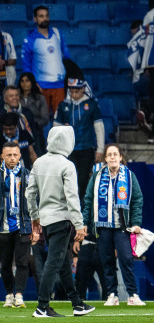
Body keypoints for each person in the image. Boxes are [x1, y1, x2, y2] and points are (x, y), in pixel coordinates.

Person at [27, 127, 94, 318]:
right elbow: (72, 197)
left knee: (63, 262)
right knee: (53, 262)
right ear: (68, 141)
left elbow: (30, 193)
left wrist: (35, 216)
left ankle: (77, 304)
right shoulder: (67, 165)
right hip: (62, 221)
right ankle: (42, 307)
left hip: (46, 221)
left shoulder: (38, 162)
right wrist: (79, 224)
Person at [83, 145, 145, 307]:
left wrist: (136, 223)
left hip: (122, 227)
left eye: (115, 154)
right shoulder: (97, 177)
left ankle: (132, 294)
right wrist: (85, 222)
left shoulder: (129, 176)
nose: (112, 157)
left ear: (120, 157)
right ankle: (112, 295)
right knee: (107, 261)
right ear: (105, 159)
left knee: (126, 259)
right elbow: (88, 199)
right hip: (102, 226)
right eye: (109, 155)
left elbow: (137, 200)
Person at [52, 77, 105, 196]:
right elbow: (55, 128)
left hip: (86, 148)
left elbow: (99, 128)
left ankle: (80, 208)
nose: (74, 94)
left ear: (83, 89)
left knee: (82, 180)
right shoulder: (63, 105)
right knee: (68, 181)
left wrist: (100, 150)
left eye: (77, 91)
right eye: (71, 91)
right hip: (67, 150)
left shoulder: (91, 104)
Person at [22, 5, 70, 115]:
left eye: (46, 16)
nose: (45, 19)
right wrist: (33, 83)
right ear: (35, 19)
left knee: (61, 121)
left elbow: (66, 56)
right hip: (40, 86)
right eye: (41, 16)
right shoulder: (30, 39)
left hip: (60, 85)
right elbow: (26, 65)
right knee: (40, 121)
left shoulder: (58, 34)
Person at [0, 141, 29, 308]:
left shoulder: (27, 175)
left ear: (19, 156)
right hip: (2, 226)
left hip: (22, 225)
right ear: (2, 156)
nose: (12, 158)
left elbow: (33, 202)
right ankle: (9, 294)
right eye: (8, 155)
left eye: (15, 155)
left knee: (22, 262)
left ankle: (19, 295)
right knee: (5, 264)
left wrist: (35, 226)